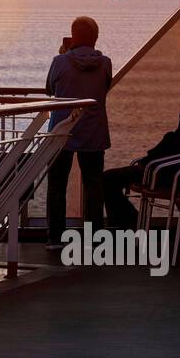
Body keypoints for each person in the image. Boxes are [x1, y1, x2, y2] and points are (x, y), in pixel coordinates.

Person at [101, 82, 180, 224]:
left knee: (107, 179)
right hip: (172, 173)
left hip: (164, 175)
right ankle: (130, 222)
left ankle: (130, 223)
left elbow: (167, 149)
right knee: (110, 179)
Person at [44, 16, 115, 245]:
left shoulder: (59, 61)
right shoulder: (105, 63)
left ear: (73, 36)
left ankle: (55, 237)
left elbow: (50, 89)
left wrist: (64, 54)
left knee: (56, 185)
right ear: (95, 38)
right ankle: (95, 237)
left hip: (62, 130)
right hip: (94, 130)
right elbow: (105, 87)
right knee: (94, 184)